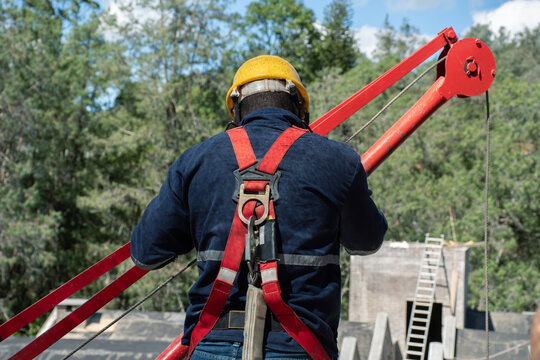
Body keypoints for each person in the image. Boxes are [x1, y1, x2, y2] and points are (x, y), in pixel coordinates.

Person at [130, 55, 387, 360]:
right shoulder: (338, 161)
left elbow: (146, 253)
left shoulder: (195, 161)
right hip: (300, 348)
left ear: (236, 109)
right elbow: (367, 241)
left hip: (212, 343)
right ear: (300, 107)